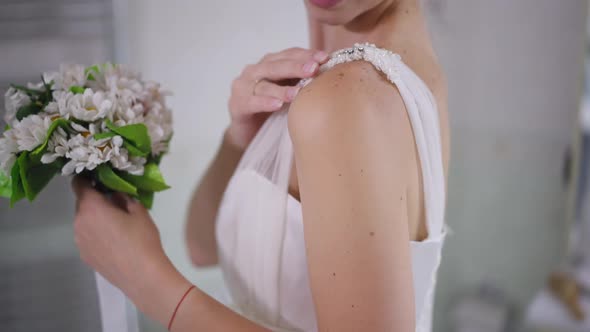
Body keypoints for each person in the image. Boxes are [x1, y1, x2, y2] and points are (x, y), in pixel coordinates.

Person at [71, 0, 450, 330]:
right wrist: (239, 139)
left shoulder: (349, 100)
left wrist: (148, 283)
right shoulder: (386, 81)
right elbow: (203, 247)